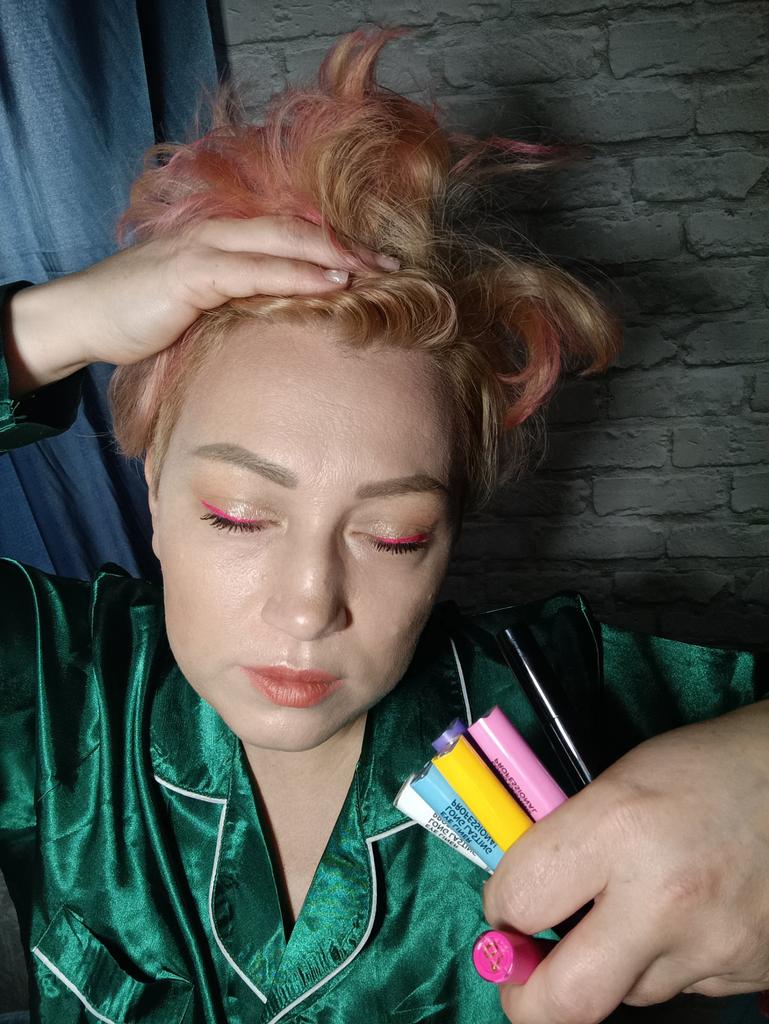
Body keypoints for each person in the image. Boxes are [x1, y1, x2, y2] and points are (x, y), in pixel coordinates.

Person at [0, 28, 767, 1024]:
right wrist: (40, 330)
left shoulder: (566, 701)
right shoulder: (55, 698)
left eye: (395, 534)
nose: (308, 606)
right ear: (153, 492)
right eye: (238, 516)